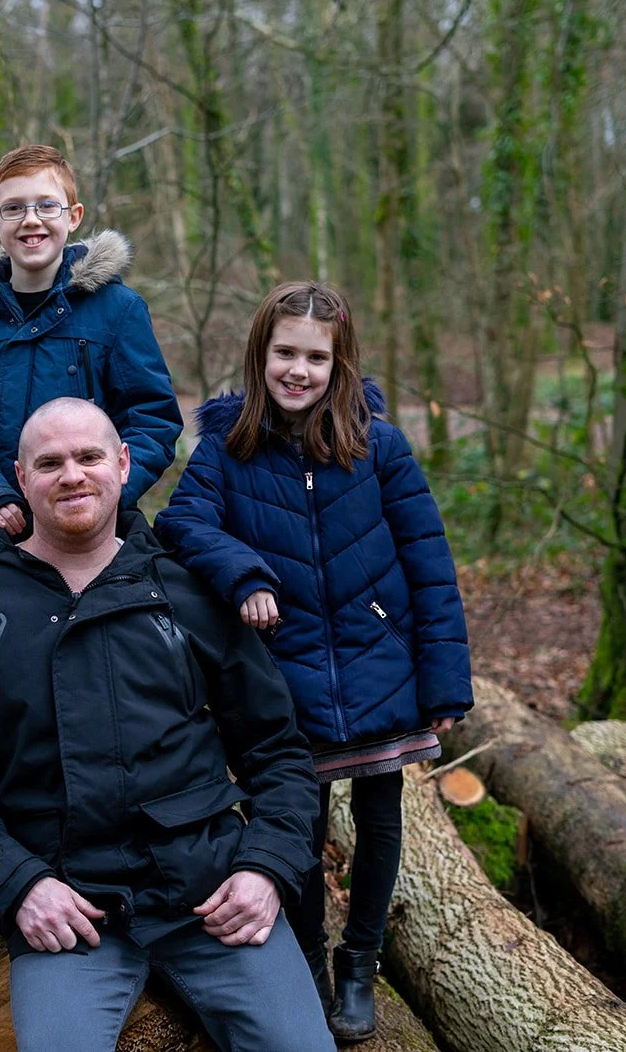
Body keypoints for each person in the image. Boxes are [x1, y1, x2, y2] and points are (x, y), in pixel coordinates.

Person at [0, 398, 335, 1052]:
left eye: (89, 456)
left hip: (209, 892)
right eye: (50, 462)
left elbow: (278, 752)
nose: (72, 474)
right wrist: (20, 886)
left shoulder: (189, 591)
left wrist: (266, 867)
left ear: (123, 464)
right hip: (66, 906)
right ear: (21, 476)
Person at [153, 281, 474, 1043]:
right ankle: (305, 957)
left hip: (378, 662)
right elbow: (180, 524)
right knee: (293, 821)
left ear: (341, 363)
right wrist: (246, 573)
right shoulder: (229, 450)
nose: (298, 370)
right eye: (285, 353)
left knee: (379, 815)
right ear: (261, 355)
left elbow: (430, 562)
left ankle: (359, 960)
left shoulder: (380, 447)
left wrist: (444, 677)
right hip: (283, 671)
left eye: (315, 357)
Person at [0, 143, 182, 568]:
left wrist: (99, 494)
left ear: (73, 217)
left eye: (46, 206)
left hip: (97, 537)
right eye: (13, 209)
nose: (31, 220)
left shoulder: (118, 311)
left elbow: (153, 417)